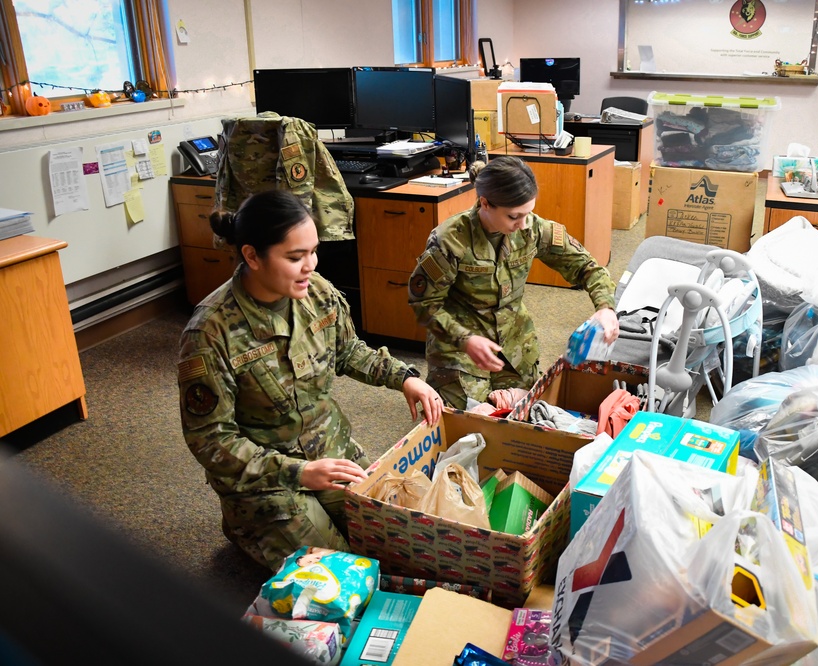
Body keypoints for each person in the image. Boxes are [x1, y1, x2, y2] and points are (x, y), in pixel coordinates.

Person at [177, 190, 443, 571]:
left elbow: (348, 351)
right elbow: (210, 439)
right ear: (252, 256)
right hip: (268, 479)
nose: (310, 266)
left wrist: (404, 378)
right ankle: (246, 524)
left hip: (330, 451)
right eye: (295, 257)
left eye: (313, 251)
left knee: (397, 541)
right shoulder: (209, 333)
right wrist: (298, 473)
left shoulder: (316, 292)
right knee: (349, 572)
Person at [408, 155, 620, 409]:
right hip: (459, 346)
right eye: (513, 216)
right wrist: (465, 339)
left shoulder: (532, 228)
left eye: (528, 213)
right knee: (473, 418)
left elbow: (587, 267)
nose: (522, 224)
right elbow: (424, 304)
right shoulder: (450, 241)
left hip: (513, 341)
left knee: (532, 407)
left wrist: (605, 308)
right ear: (485, 204)